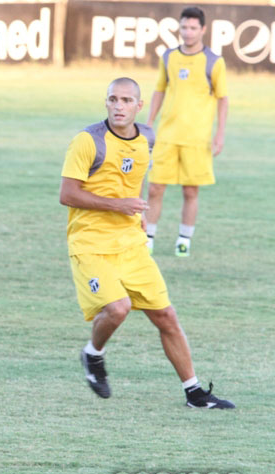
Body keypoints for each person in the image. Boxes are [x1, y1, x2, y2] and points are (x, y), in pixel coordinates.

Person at [59, 77, 234, 409]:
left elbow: (132, 177)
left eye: (126, 100)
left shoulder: (146, 139)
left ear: (139, 106)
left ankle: (194, 393)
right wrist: (118, 205)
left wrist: (135, 208)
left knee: (166, 316)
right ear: (106, 102)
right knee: (118, 308)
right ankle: (93, 354)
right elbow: (67, 194)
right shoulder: (88, 141)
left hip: (131, 244)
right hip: (91, 244)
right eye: (113, 99)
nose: (118, 106)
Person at [145, 6, 228, 257]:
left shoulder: (214, 61)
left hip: (196, 139)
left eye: (193, 28)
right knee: (154, 188)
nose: (188, 32)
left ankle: (184, 240)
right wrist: (148, 124)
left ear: (203, 29)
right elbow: (159, 90)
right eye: (184, 27)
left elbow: (223, 99)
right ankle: (147, 238)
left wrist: (219, 134)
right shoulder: (168, 57)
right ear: (178, 28)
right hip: (167, 135)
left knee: (190, 190)